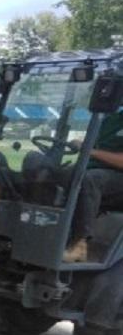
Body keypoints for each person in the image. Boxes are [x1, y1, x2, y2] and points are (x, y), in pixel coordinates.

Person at [64, 108, 123, 262]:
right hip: (99, 173)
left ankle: (80, 243)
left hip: (115, 178)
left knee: (91, 179)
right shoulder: (112, 119)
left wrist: (90, 151)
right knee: (47, 171)